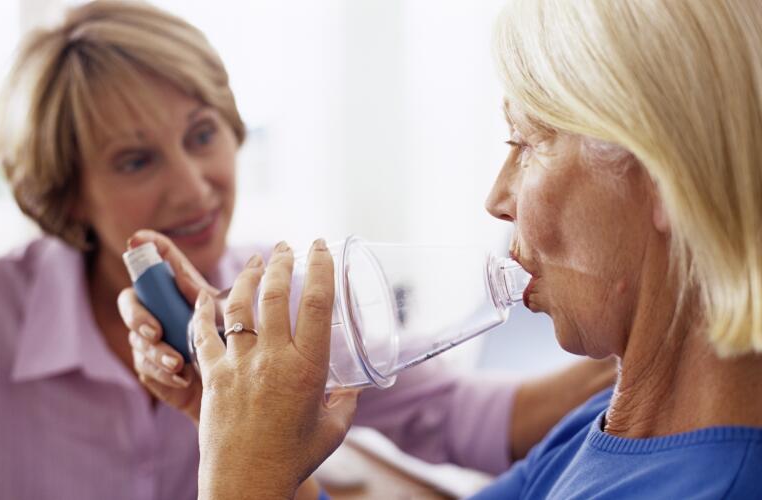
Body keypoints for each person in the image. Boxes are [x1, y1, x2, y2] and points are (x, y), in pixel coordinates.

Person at [0, 1, 614, 499]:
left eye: (202, 134)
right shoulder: (3, 317)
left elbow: (465, 421)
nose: (192, 186)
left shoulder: (284, 300)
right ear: (68, 192)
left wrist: (655, 331)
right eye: (136, 161)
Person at [182, 0, 762, 498]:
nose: (497, 198)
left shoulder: (708, 483)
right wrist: (240, 434)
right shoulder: (619, 423)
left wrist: (242, 477)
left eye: (529, 141)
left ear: (669, 179)